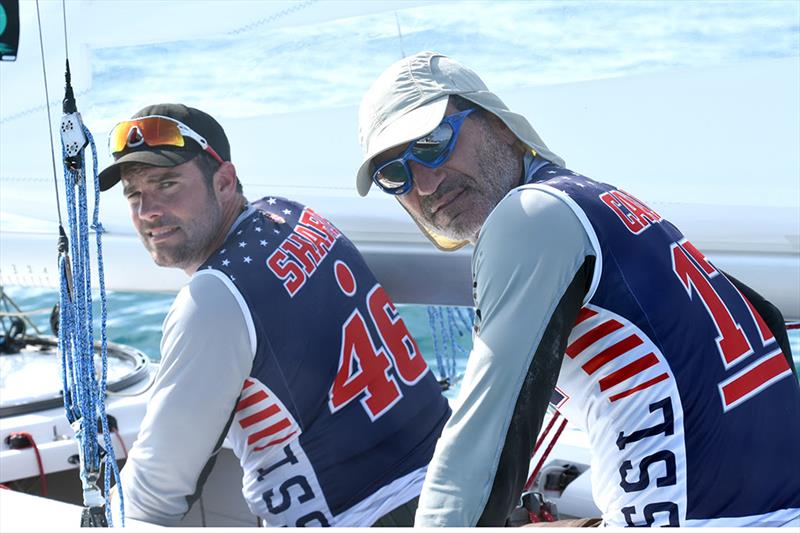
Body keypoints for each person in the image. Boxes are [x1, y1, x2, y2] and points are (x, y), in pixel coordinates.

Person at [355, 51, 800, 527]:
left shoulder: (529, 218)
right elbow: (766, 319)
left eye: (433, 142)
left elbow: (481, 452)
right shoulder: (601, 201)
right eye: (394, 173)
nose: (424, 185)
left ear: (501, 125)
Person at [98, 103, 450, 527]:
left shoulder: (214, 298)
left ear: (224, 181)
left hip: (361, 516)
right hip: (452, 482)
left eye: (167, 184)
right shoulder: (291, 215)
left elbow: (152, 498)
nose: (147, 211)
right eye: (134, 194)